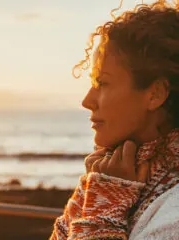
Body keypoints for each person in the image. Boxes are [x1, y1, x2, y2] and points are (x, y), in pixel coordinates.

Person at [50, 1, 179, 239]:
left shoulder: (173, 212)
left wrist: (102, 212)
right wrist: (95, 192)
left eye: (103, 83)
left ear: (155, 94)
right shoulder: (114, 178)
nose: (87, 101)